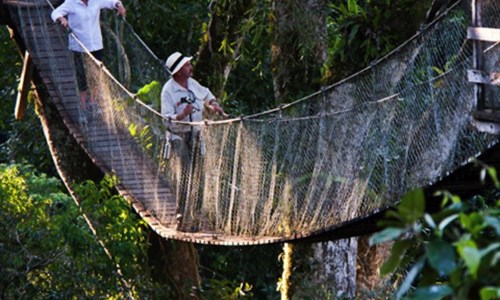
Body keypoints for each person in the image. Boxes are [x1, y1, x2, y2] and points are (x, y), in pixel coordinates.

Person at [161, 51, 227, 231]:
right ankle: (182, 215)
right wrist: (182, 114)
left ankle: (195, 216)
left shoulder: (192, 83)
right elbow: (165, 119)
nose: (191, 68)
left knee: (199, 174)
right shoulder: (168, 90)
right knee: (185, 173)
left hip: (196, 134)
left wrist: (214, 104)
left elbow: (206, 94)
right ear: (178, 71)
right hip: (178, 137)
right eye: (187, 66)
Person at [51, 0, 126, 111]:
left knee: (96, 73)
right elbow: (55, 13)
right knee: (81, 74)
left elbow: (111, 2)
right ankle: (83, 103)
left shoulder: (96, 1)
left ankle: (93, 102)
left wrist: (119, 5)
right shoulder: (71, 2)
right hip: (79, 45)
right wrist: (62, 19)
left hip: (96, 44)